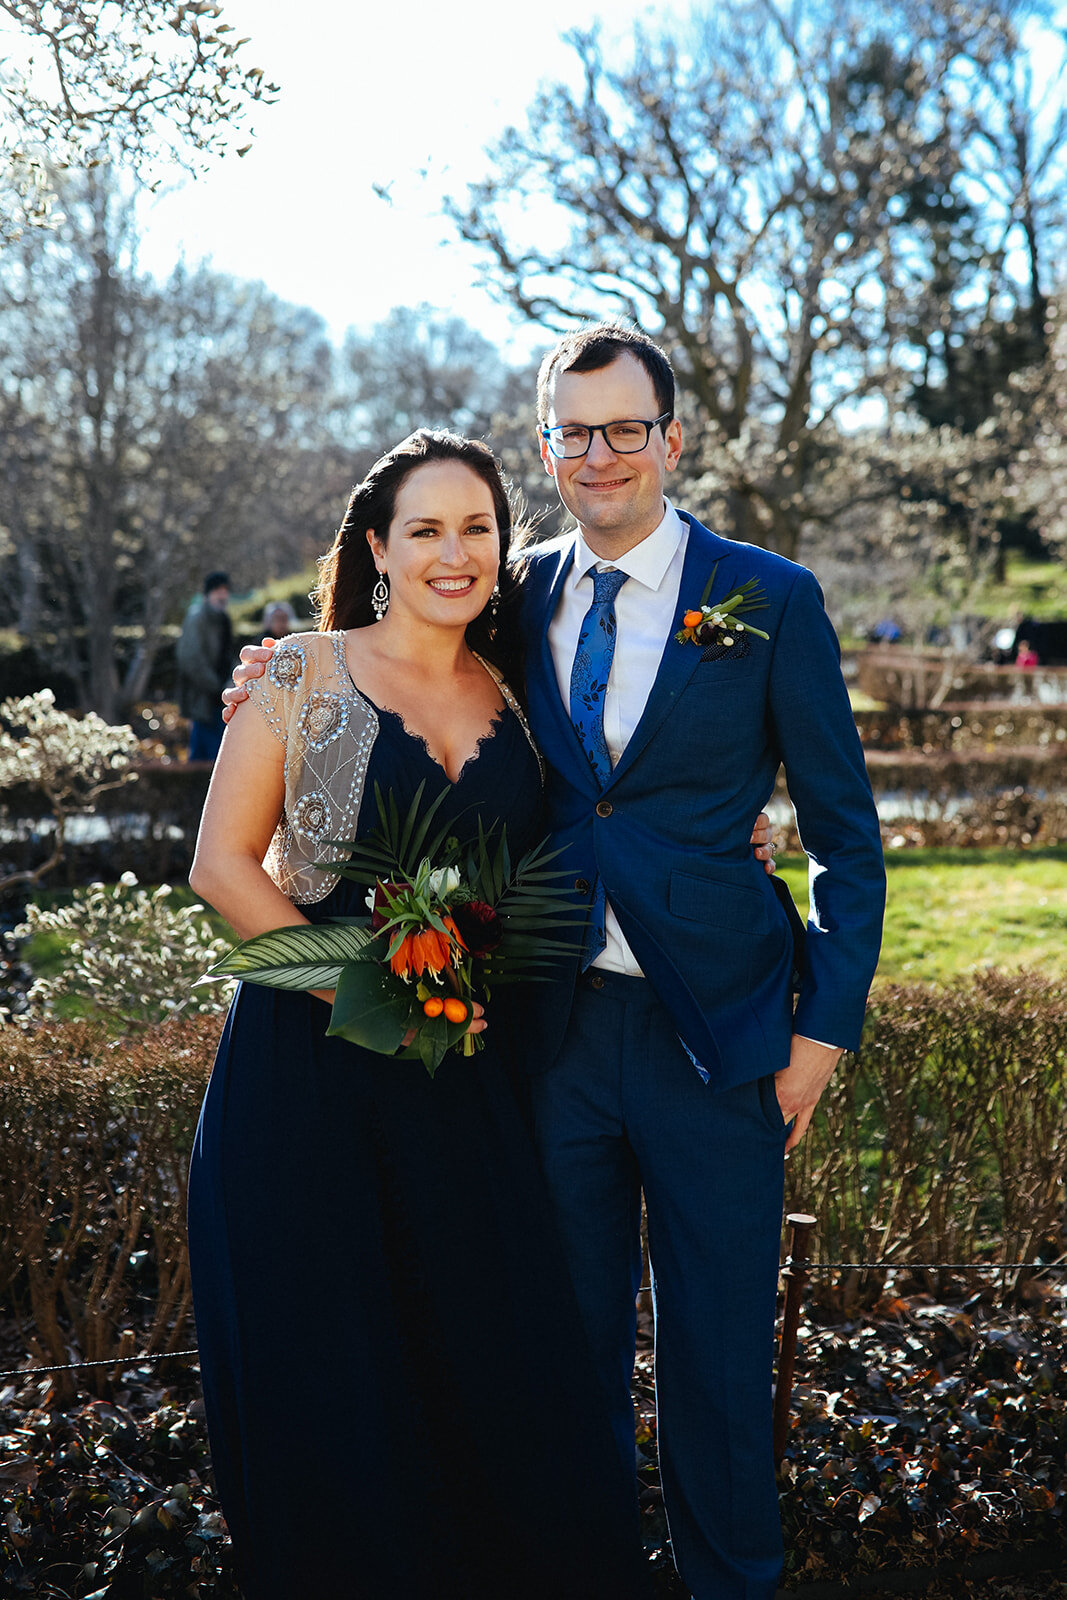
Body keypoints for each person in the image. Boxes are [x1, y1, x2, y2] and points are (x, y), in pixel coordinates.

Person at [225, 323, 884, 1600]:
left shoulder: (765, 598)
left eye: (623, 427)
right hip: (541, 1035)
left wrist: (824, 1029)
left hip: (722, 1035)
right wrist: (279, 677)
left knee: (713, 1357)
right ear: (545, 446)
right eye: (570, 432)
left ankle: (728, 1584)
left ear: (669, 438)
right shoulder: (509, 589)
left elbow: (848, 838)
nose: (597, 453)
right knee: (551, 1349)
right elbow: (394, 667)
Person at [176, 570, 235, 762]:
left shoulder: (223, 619)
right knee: (205, 758)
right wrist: (217, 686)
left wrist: (229, 683)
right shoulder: (197, 618)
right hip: (204, 699)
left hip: (219, 698)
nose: (222, 595)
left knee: (216, 754)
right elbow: (191, 659)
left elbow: (228, 656)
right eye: (217, 590)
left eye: (225, 590)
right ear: (207, 594)